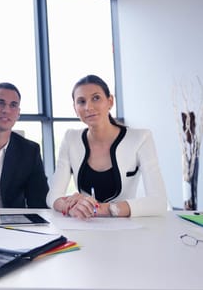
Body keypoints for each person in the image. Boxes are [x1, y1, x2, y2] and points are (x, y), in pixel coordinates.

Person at [46, 74, 167, 219]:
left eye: (96, 98)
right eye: (81, 101)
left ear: (110, 101)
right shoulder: (70, 138)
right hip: (84, 227)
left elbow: (158, 202)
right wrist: (71, 206)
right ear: (75, 108)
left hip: (125, 230)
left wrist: (105, 209)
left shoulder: (140, 138)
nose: (88, 107)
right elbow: (52, 196)